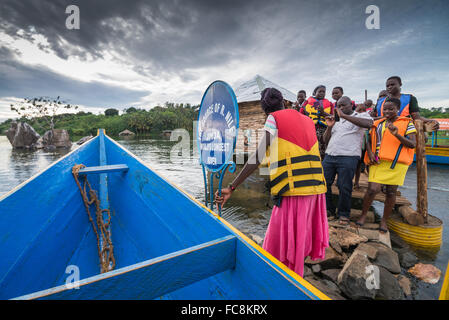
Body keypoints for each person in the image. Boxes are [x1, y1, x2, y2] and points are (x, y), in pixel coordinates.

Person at [215, 87, 329, 277]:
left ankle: (281, 282)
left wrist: (232, 187)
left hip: (294, 190)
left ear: (264, 107)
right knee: (298, 240)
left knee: (276, 248)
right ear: (284, 100)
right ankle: (294, 276)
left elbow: (258, 155)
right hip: (316, 189)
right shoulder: (308, 121)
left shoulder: (274, 118)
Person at [337, 97, 417, 233]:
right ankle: (363, 216)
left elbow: (412, 144)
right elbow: (368, 138)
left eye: (391, 109)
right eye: (385, 109)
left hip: (396, 164)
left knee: (391, 192)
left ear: (398, 109)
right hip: (377, 161)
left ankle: (384, 221)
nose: (387, 111)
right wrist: (369, 152)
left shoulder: (407, 123)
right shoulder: (378, 123)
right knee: (372, 189)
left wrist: (397, 134)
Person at [322, 96, 372, 225]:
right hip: (330, 155)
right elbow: (325, 140)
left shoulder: (362, 116)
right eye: (339, 106)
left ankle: (343, 214)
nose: (341, 108)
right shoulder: (336, 121)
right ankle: (328, 209)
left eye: (343, 105)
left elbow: (368, 124)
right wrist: (329, 127)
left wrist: (344, 116)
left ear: (351, 104)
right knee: (323, 183)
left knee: (344, 186)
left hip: (348, 156)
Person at [375, 76, 439, 130]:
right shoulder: (380, 101)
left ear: (400, 84)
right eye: (387, 86)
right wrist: (383, 118)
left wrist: (430, 120)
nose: (389, 87)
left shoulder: (410, 98)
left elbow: (416, 117)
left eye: (392, 84)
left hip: (403, 133)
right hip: (381, 133)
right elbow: (372, 118)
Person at [300, 85, 334, 159]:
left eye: (323, 92)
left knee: (324, 148)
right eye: (320, 91)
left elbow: (332, 116)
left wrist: (323, 113)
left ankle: (323, 164)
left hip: (324, 129)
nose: (322, 93)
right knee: (312, 147)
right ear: (315, 93)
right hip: (311, 128)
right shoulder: (307, 102)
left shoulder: (329, 103)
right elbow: (301, 114)